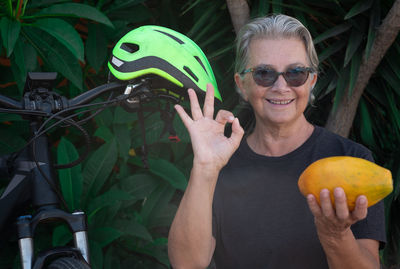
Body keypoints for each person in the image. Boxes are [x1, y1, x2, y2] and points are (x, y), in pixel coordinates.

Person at [168, 14, 386, 269]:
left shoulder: (353, 159)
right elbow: (187, 264)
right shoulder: (218, 163)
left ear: (312, 80)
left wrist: (335, 235)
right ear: (242, 85)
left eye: (296, 73)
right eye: (264, 73)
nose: (281, 86)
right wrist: (205, 168)